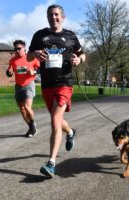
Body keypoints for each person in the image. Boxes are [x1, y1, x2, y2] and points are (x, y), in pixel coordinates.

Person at [27, 4, 86, 178]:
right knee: (58, 120)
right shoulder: (40, 35)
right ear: (47, 17)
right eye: (50, 15)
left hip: (64, 83)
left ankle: (51, 163)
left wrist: (79, 60)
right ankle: (70, 132)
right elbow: (28, 56)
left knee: (54, 119)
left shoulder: (70, 36)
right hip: (47, 84)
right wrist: (36, 54)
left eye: (57, 14)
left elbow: (82, 54)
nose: (54, 17)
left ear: (63, 17)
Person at [6, 40, 40, 137]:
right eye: (15, 49)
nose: (17, 50)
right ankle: (31, 127)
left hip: (29, 84)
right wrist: (9, 72)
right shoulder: (12, 60)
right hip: (18, 86)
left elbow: (39, 68)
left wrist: (33, 72)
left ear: (24, 48)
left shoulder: (31, 57)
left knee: (26, 106)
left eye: (19, 48)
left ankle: (32, 125)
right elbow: (9, 72)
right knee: (22, 109)